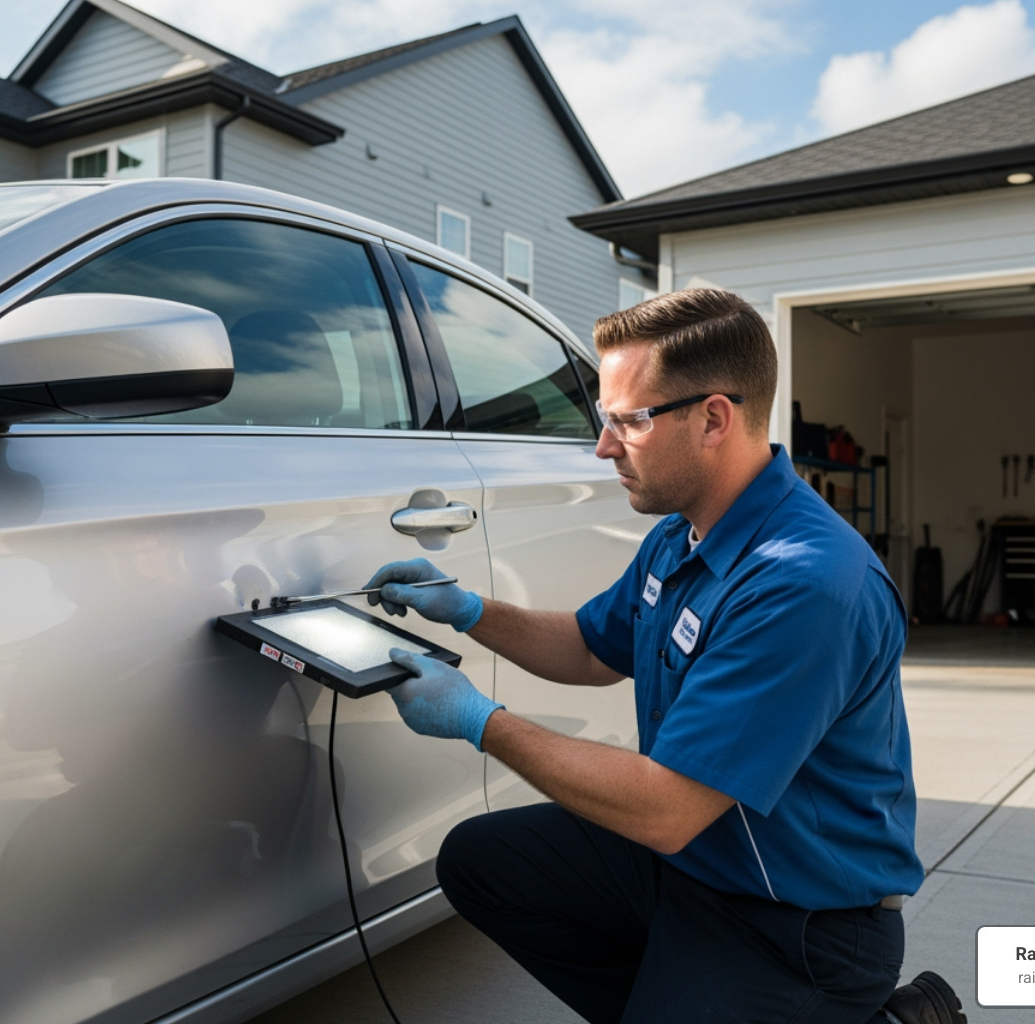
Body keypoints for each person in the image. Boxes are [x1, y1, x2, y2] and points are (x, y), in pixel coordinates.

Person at [366, 288, 964, 1024]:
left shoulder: (804, 583)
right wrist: (469, 612)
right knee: (481, 862)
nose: (604, 446)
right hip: (692, 869)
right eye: (604, 420)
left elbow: (665, 809)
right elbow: (591, 647)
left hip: (798, 925)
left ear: (713, 418)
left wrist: (478, 720)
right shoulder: (683, 535)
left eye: (629, 421)